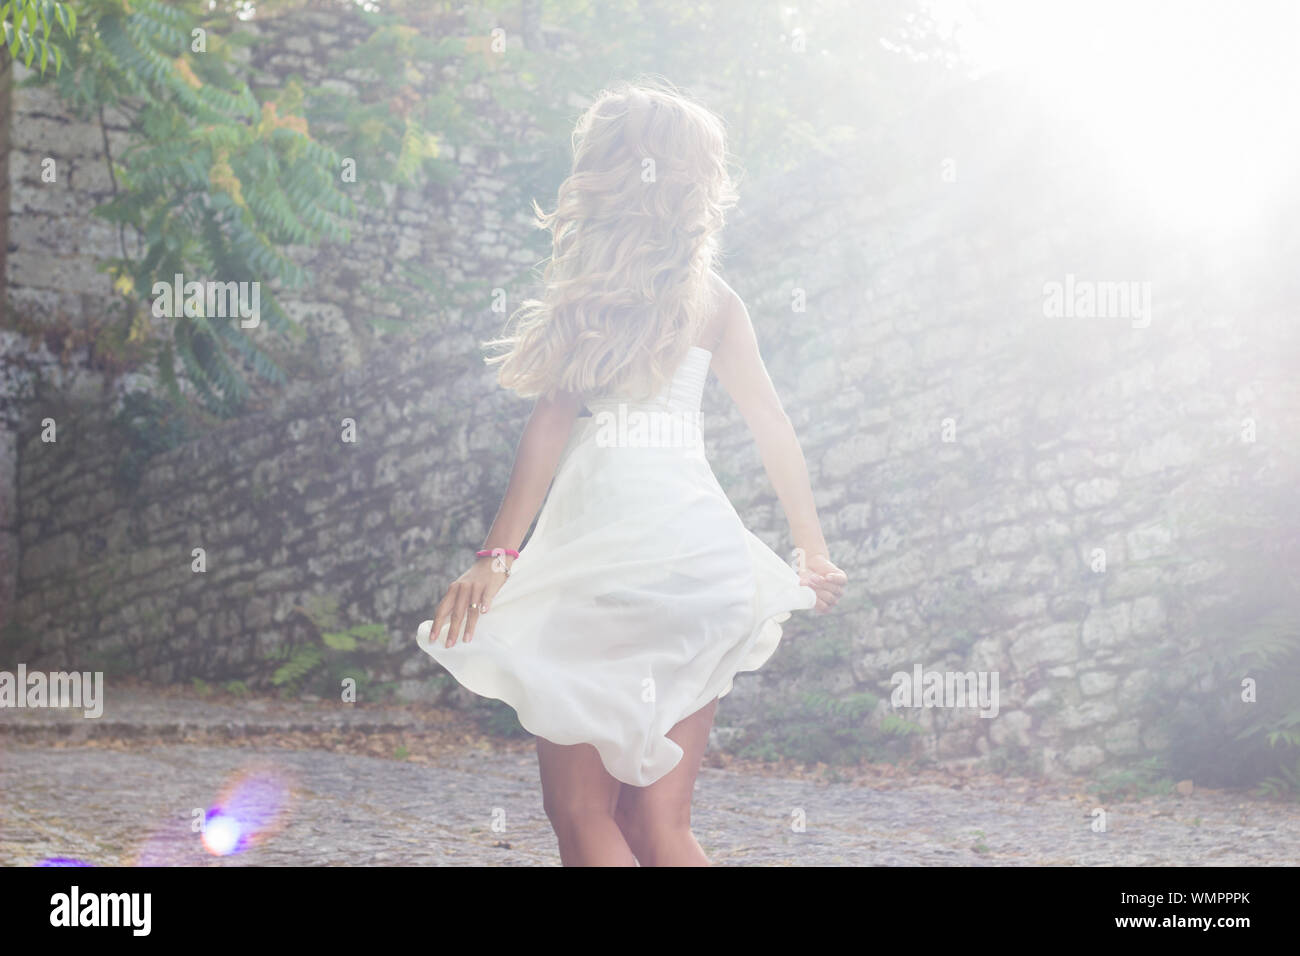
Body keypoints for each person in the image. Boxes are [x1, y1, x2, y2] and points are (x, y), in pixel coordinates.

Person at [417, 79, 847, 866]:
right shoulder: (718, 301)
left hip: (604, 554)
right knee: (662, 825)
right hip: (701, 560)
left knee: (582, 812)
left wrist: (496, 558)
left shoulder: (589, 295)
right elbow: (771, 424)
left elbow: (549, 426)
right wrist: (810, 553)